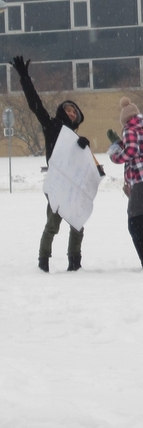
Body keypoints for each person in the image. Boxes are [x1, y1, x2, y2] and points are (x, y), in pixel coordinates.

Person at [11, 55, 95, 273]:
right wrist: (25, 78)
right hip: (56, 182)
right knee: (53, 224)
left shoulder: (77, 139)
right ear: (61, 112)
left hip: (73, 185)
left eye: (74, 112)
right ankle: (43, 261)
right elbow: (35, 104)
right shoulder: (51, 126)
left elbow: (87, 168)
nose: (71, 112)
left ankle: (74, 261)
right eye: (68, 109)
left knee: (77, 223)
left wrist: (84, 148)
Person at [107, 97, 143, 269]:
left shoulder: (129, 129)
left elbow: (131, 151)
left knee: (135, 227)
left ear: (125, 118)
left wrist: (115, 156)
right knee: (138, 226)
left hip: (142, 182)